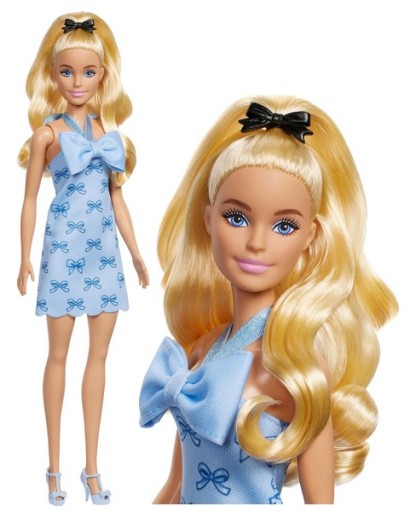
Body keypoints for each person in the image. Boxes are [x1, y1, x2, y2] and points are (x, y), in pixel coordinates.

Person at [139, 96, 398, 504]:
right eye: (236, 218)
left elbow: (321, 501)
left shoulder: (296, 368)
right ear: (208, 220)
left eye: (284, 226)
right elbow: (174, 484)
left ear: (310, 237)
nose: (257, 243)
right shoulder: (203, 349)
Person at [17, 12, 149, 506]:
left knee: (99, 358)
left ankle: (92, 467)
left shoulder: (108, 133)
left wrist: (136, 254)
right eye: (67, 72)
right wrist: (24, 257)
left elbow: (118, 199)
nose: (77, 82)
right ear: (53, 75)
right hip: (61, 252)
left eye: (88, 72)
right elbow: (30, 200)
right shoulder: (47, 135)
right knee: (58, 356)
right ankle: (53, 468)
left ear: (103, 75)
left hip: (104, 256)